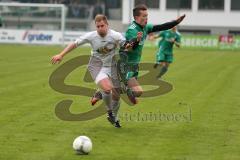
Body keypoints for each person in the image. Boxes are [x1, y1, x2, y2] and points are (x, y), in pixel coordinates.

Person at [51, 14, 137, 128]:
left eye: (102, 26)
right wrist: (61, 55)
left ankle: (114, 118)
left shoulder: (116, 35)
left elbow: (127, 47)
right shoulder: (91, 36)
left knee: (116, 95)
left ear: (107, 25)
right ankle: (109, 111)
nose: (100, 28)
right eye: (98, 26)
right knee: (107, 88)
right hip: (96, 66)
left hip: (111, 66)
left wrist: (134, 43)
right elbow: (75, 44)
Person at [91, 4, 186, 105]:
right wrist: (136, 40)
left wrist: (176, 22)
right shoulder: (132, 30)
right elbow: (131, 47)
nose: (146, 18)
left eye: (147, 15)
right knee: (134, 91)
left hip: (134, 65)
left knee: (132, 92)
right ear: (136, 17)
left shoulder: (146, 27)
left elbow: (161, 27)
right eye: (144, 16)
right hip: (125, 63)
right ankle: (111, 91)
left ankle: (102, 93)